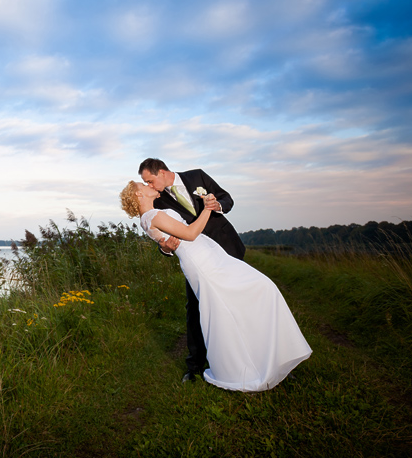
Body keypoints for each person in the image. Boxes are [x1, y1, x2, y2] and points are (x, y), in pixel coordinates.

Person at [119, 180, 311, 391]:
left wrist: (165, 245)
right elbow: (190, 234)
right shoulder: (153, 216)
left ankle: (265, 358)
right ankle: (244, 367)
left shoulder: (149, 217)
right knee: (258, 291)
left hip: (208, 257)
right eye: (143, 184)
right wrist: (208, 209)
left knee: (250, 297)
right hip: (203, 263)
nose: (148, 185)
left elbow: (166, 240)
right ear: (138, 195)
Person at [139, 158, 245, 383]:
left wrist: (218, 205)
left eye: (149, 180)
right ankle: (195, 365)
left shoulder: (197, 176)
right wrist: (164, 248)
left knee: (240, 300)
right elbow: (162, 234)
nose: (149, 186)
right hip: (198, 260)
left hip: (227, 247)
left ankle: (253, 353)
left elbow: (226, 197)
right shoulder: (156, 201)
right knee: (195, 307)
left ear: (162, 172)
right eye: (145, 183)